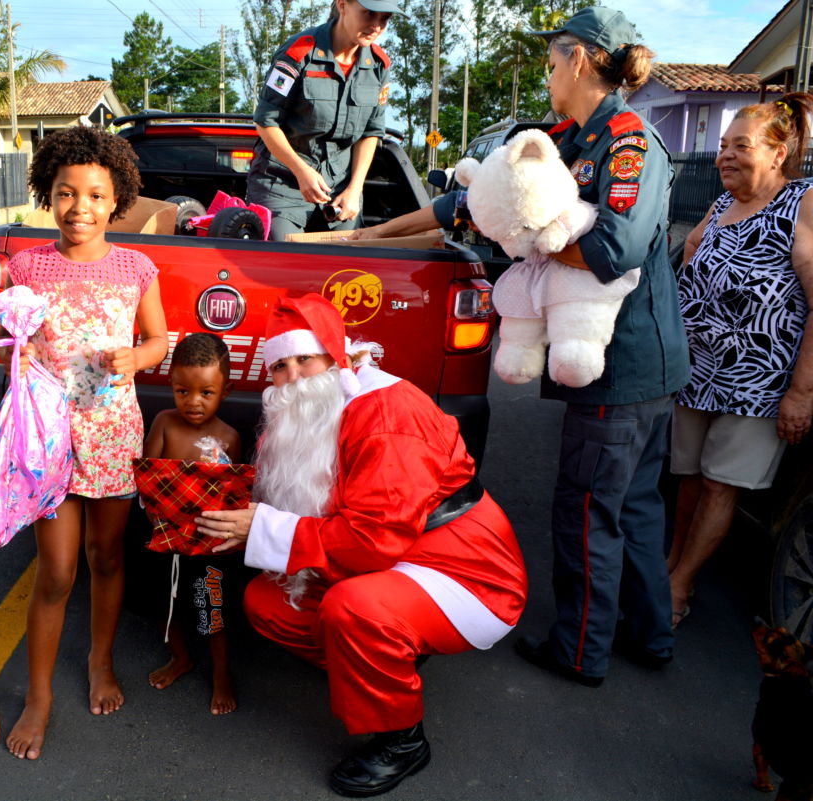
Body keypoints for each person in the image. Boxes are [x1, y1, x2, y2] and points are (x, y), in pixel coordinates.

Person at [353, 7, 689, 687]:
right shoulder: (566, 137)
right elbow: (474, 203)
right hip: (634, 362)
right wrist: (372, 237)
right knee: (637, 507)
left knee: (590, 509)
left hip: (619, 362)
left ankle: (580, 648)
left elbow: (612, 248)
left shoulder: (629, 143)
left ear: (584, 59)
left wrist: (526, 235)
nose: (547, 72)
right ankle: (650, 636)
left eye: (552, 59)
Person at [197, 293, 527, 798]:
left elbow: (374, 539)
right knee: (266, 602)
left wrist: (260, 530)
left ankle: (401, 741)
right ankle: (383, 662)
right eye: (280, 367)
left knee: (353, 608)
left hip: (466, 571)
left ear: (338, 355)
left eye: (305, 359)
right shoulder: (318, 408)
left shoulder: (387, 411)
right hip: (395, 558)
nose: (295, 378)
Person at [3, 125, 168, 760]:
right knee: (57, 571)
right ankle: (38, 696)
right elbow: (9, 337)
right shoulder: (27, 267)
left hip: (112, 435)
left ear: (117, 199)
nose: (81, 208)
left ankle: (100, 660)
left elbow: (159, 339)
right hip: (49, 440)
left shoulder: (136, 267)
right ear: (49, 193)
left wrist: (135, 357)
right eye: (67, 193)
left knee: (106, 558)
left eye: (96, 196)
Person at [666, 94, 813, 628]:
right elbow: (690, 265)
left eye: (741, 146)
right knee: (686, 476)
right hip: (698, 371)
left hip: (757, 379)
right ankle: (670, 564)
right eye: (723, 145)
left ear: (778, 153)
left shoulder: (802, 202)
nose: (725, 156)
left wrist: (802, 391)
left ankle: (680, 585)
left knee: (718, 482)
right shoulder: (720, 204)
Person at [142, 333, 242, 716]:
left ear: (225, 390)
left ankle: (221, 675)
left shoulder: (229, 439)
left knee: (211, 608)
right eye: (183, 391)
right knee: (167, 608)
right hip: (166, 538)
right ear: (172, 386)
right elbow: (147, 476)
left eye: (206, 393)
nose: (193, 402)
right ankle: (181, 658)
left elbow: (235, 497)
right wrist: (156, 513)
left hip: (207, 545)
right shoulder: (165, 423)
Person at [247, 0, 399, 240]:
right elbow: (266, 121)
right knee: (285, 264)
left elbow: (372, 132)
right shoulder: (298, 53)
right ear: (342, 5)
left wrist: (355, 188)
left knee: (342, 271)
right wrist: (301, 171)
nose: (376, 26)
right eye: (369, 14)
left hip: (341, 194)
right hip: (282, 186)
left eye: (385, 18)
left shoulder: (379, 65)